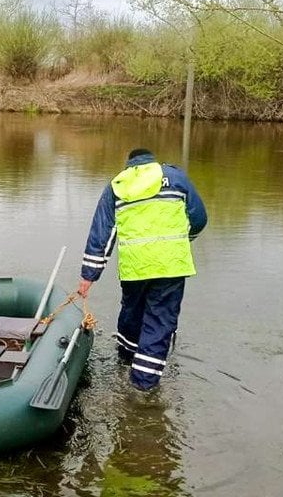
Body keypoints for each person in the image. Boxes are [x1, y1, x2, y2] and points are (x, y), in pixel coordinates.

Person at [77, 149, 207, 391]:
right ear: (152, 162)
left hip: (135, 267)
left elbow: (102, 234)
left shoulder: (117, 186)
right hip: (171, 266)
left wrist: (88, 276)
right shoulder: (176, 178)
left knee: (132, 312)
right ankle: (142, 387)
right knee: (159, 321)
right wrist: (183, 239)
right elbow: (199, 218)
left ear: (130, 165)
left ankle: (126, 358)